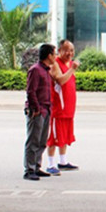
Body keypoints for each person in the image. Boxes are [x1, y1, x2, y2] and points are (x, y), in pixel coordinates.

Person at [45, 39, 80, 173]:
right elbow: (60, 80)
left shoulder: (70, 63)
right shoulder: (55, 64)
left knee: (64, 135)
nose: (69, 53)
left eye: (71, 50)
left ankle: (63, 161)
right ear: (59, 51)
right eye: (66, 50)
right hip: (58, 108)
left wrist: (71, 68)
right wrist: (72, 69)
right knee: (54, 137)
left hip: (68, 108)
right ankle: (50, 164)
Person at [24, 44, 56, 181]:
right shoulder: (35, 70)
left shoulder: (46, 71)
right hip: (38, 110)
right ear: (49, 55)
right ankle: (29, 169)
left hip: (46, 109)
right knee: (33, 141)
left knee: (42, 141)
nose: (55, 57)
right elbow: (31, 91)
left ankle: (37, 166)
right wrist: (36, 109)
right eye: (54, 54)